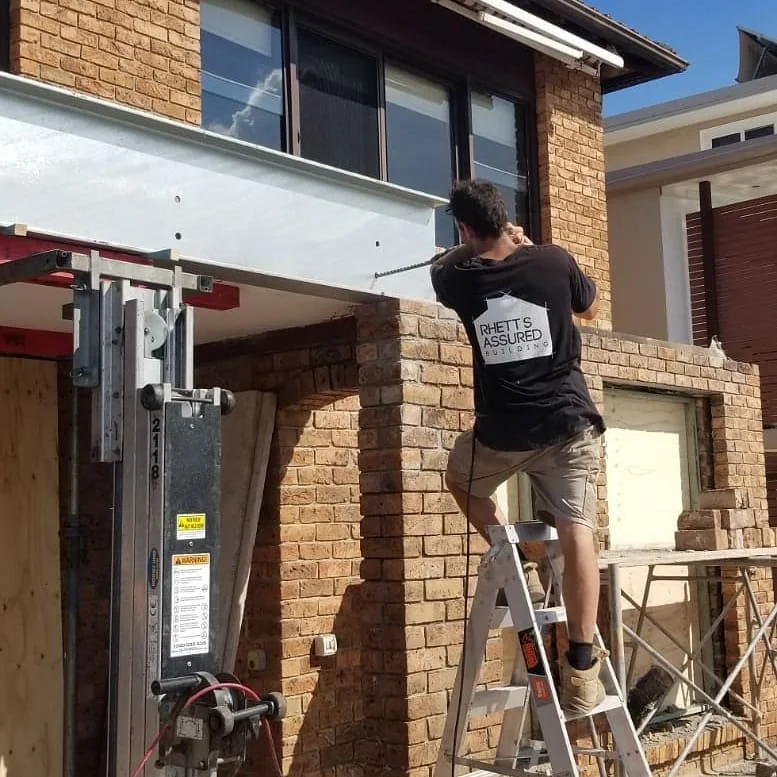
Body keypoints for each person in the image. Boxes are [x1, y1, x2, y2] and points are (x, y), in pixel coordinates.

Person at [430, 179, 607, 715]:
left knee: (460, 479)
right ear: (504, 216)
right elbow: (590, 310)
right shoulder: (553, 261)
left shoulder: (456, 277)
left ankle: (515, 558)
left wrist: (479, 242)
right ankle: (582, 666)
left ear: (463, 227)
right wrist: (522, 244)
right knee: (577, 527)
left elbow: (444, 264)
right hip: (567, 423)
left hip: (502, 433)